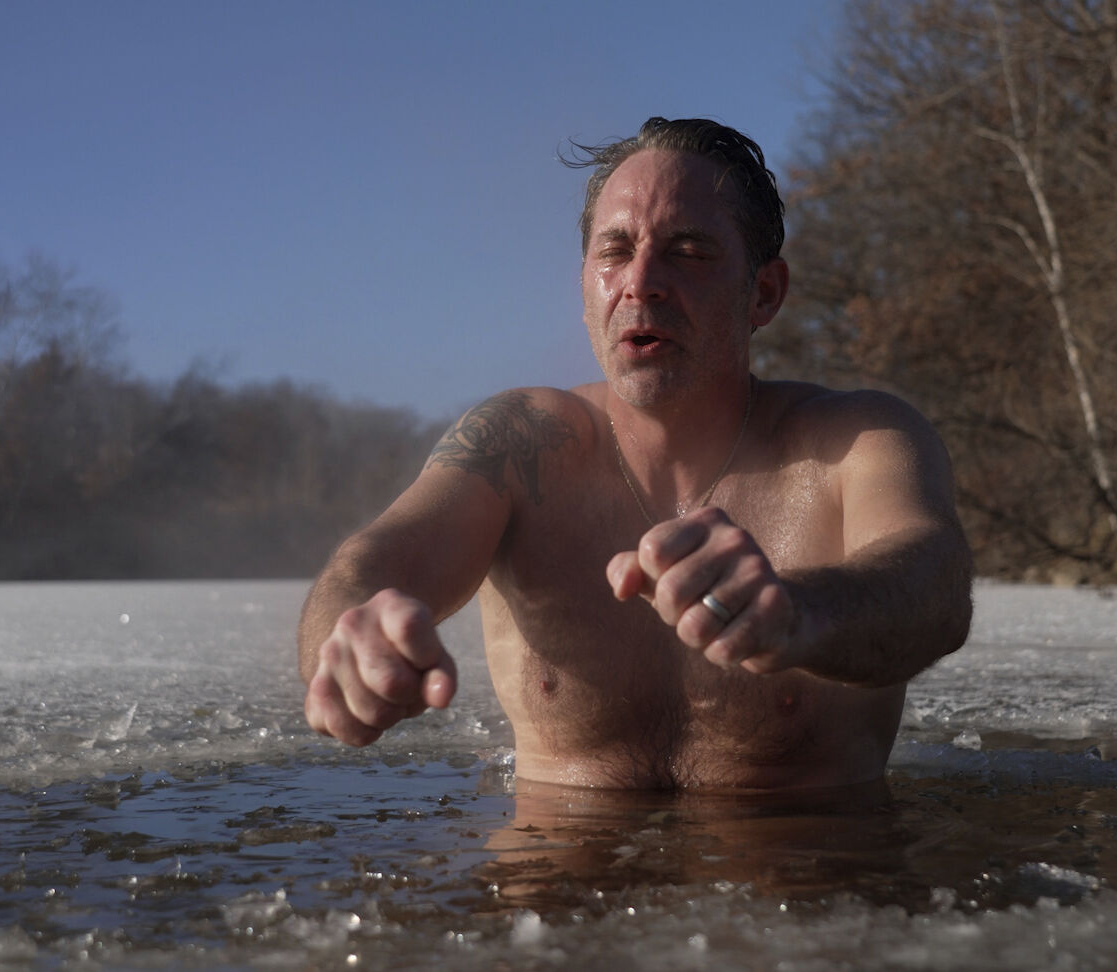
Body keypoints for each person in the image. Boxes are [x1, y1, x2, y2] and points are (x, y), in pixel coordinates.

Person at [298, 117, 972, 790]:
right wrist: (348, 640)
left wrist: (800, 612)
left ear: (763, 292)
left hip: (805, 873)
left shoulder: (856, 438)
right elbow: (371, 563)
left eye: (688, 250)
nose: (641, 281)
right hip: (556, 876)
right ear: (585, 285)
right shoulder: (518, 441)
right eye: (615, 251)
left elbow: (931, 582)